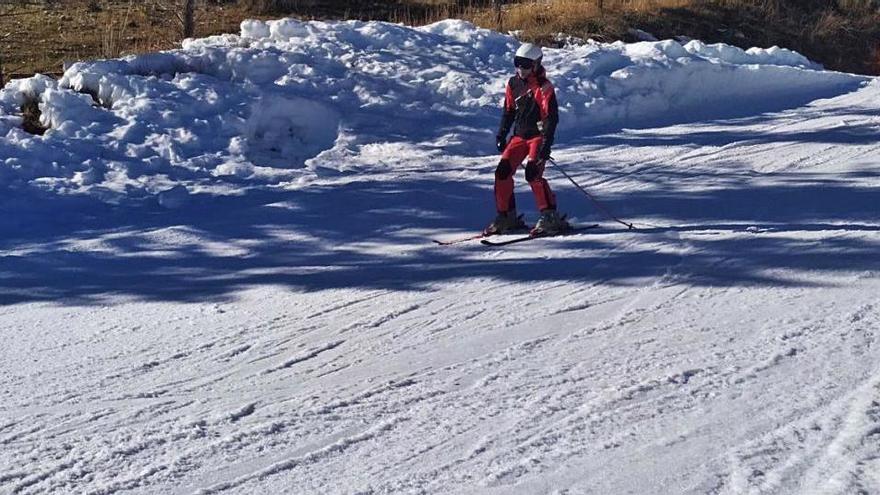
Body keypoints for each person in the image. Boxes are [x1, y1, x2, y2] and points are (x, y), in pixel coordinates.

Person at [484, 42, 568, 236]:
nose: (520, 69)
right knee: (502, 172)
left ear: (536, 65)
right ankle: (506, 216)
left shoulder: (544, 87)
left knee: (532, 174)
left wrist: (546, 144)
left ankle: (549, 216)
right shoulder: (513, 84)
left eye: (525, 65)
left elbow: (551, 117)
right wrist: (501, 134)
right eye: (518, 64)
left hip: (537, 137)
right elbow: (509, 110)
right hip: (520, 136)